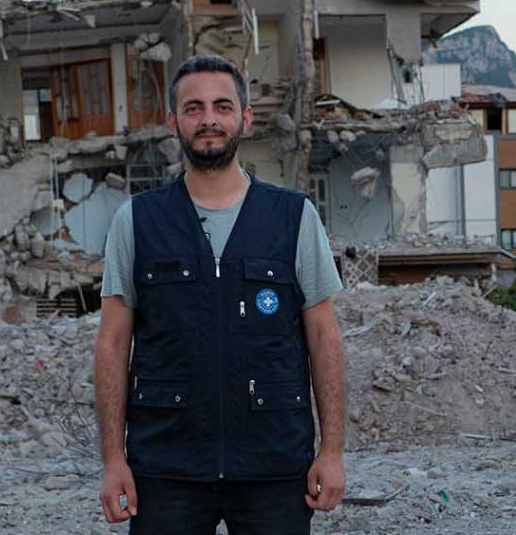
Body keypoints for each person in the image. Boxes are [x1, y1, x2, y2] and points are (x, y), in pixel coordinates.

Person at [93, 55, 347, 533]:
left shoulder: (293, 217)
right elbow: (111, 344)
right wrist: (113, 460)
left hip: (273, 465)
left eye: (222, 106)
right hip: (167, 467)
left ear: (245, 119)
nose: (208, 119)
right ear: (174, 122)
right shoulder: (137, 221)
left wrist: (331, 451)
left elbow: (324, 338)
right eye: (193, 108)